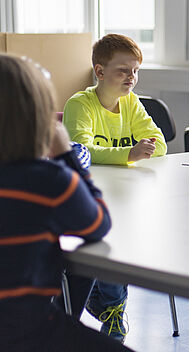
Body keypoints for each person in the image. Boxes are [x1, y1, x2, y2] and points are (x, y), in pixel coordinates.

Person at [0, 54, 133, 352]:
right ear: (39, 117)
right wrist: (67, 157)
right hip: (30, 331)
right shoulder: (48, 181)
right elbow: (98, 223)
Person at [63, 33, 167, 342]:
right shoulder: (80, 104)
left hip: (126, 192)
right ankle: (111, 307)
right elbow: (80, 150)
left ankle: (107, 302)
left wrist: (138, 151)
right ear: (100, 72)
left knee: (127, 236)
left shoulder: (130, 102)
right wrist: (128, 153)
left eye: (135, 70)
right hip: (88, 196)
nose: (131, 78)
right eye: (123, 70)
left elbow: (158, 143)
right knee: (110, 241)